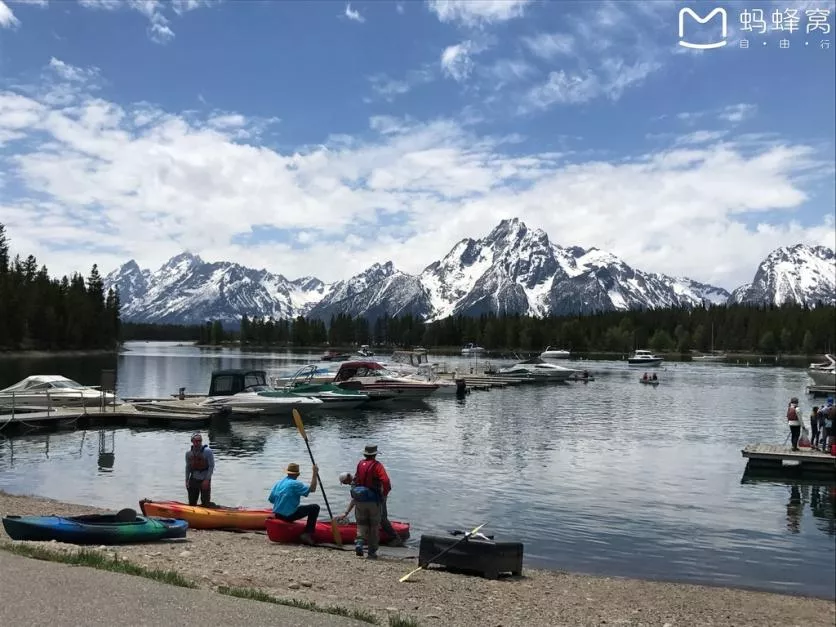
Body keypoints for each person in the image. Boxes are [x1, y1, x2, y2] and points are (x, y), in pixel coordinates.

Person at [337, 471, 404, 548]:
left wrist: (346, 513)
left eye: (344, 482)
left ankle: (395, 538)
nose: (346, 484)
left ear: (348, 477)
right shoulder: (357, 480)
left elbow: (354, 500)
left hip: (379, 496)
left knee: (382, 518)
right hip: (376, 496)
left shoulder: (355, 483)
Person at [350, 444, 391, 559]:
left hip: (360, 500)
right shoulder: (377, 465)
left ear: (365, 454)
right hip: (373, 501)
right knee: (374, 526)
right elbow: (386, 481)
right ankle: (372, 552)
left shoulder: (360, 464)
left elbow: (355, 479)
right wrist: (385, 493)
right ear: (375, 454)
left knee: (361, 524)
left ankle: (359, 543)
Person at [268, 463, 319, 545]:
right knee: (315, 507)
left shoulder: (279, 483)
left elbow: (272, 500)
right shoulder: (296, 484)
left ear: (287, 472)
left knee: (299, 507)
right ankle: (307, 533)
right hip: (288, 516)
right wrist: (315, 473)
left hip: (277, 514)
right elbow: (312, 489)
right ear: (298, 474)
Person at [185, 433, 214, 506]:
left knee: (205, 503)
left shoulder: (208, 451)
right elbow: (188, 467)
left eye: (200, 441)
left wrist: (207, 480)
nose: (198, 442)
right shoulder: (188, 453)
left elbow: (211, 466)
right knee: (192, 503)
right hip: (194, 479)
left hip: (204, 479)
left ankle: (209, 507)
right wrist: (186, 480)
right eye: (196, 441)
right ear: (192, 441)